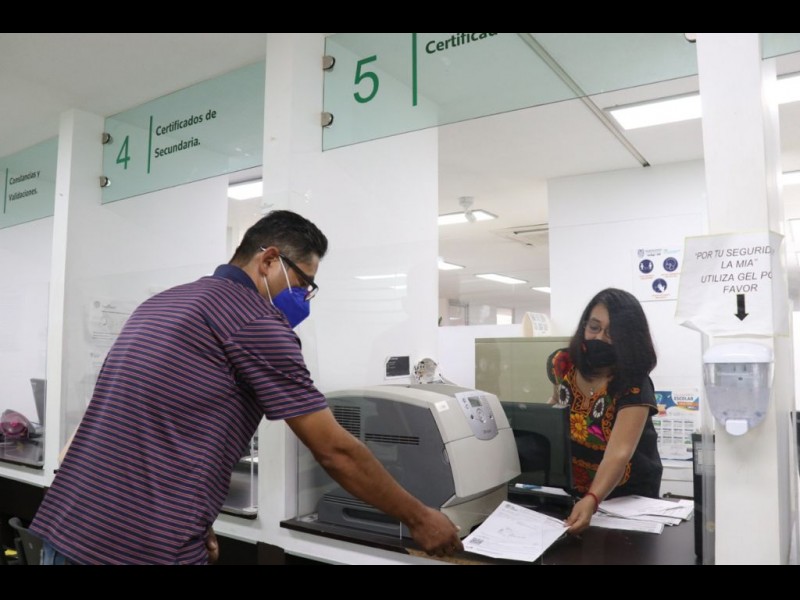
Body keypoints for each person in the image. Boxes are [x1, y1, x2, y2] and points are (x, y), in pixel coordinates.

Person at [30, 209, 462, 564]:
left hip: (67, 527)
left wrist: (196, 517)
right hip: (137, 550)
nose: (304, 298)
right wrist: (420, 518)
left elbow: (137, 423)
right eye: (304, 283)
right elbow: (335, 451)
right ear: (269, 260)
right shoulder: (256, 321)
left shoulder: (163, 302)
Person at [546, 288, 662, 535]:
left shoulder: (634, 384)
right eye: (594, 327)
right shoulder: (564, 364)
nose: (599, 338)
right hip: (574, 494)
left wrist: (593, 498)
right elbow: (555, 404)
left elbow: (619, 453)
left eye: (611, 333)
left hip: (626, 502)